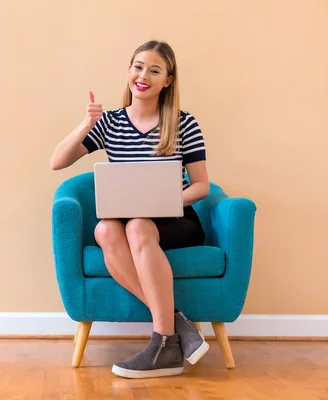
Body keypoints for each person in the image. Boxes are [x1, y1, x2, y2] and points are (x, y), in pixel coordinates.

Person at [49, 40, 210, 379]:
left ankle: (163, 339)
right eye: (138, 67)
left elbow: (201, 187)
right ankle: (178, 327)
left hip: (176, 219)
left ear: (168, 80)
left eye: (154, 70)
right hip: (130, 218)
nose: (143, 76)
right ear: (128, 71)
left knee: (137, 225)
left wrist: (163, 201)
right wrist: (86, 123)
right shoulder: (110, 123)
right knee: (105, 229)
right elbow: (57, 162)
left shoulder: (184, 123)